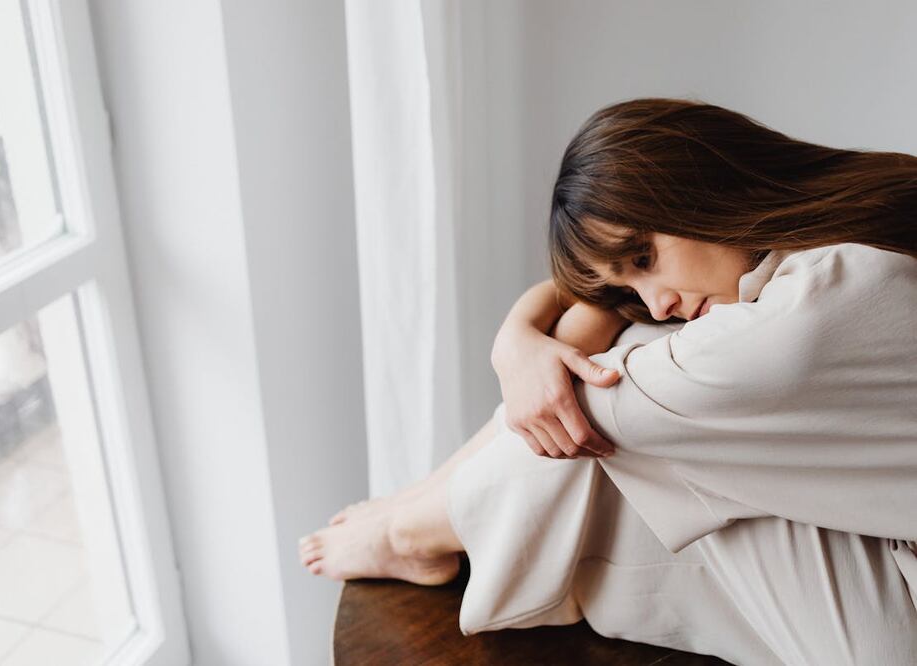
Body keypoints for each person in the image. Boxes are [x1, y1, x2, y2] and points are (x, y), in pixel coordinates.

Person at [299, 98, 917, 664]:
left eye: (644, 258)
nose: (659, 300)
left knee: (601, 401)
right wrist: (520, 338)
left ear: (704, 185)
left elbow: (579, 404)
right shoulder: (861, 229)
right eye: (629, 284)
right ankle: (417, 513)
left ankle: (411, 534)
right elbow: (597, 313)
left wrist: (537, 345)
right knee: (633, 361)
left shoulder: (811, 312)